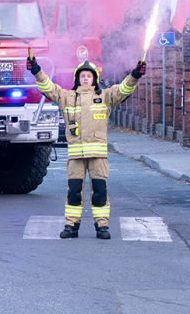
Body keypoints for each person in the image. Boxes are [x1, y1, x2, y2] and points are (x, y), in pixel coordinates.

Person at [27, 57, 146, 239]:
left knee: (100, 191)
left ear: (94, 79)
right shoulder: (67, 97)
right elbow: (48, 87)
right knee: (74, 192)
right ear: (77, 79)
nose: (85, 79)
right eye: (82, 76)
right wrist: (37, 71)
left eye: (88, 76)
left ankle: (102, 226)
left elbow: (124, 89)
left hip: (97, 156)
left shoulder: (105, 96)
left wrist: (135, 74)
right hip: (76, 157)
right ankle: (71, 226)